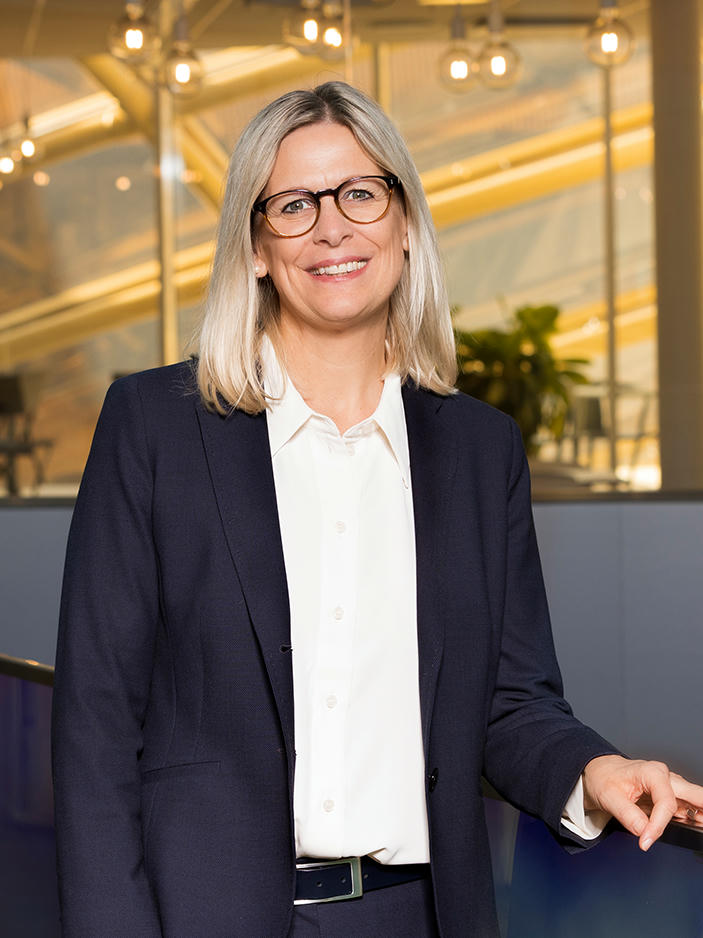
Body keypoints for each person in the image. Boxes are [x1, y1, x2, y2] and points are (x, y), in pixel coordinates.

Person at [52, 81, 703, 938]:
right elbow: (95, 727)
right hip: (201, 916)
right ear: (253, 246)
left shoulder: (479, 450)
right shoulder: (155, 428)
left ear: (402, 224)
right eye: (292, 204)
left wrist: (591, 770)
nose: (332, 228)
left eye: (360, 193)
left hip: (416, 916)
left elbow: (509, 701)